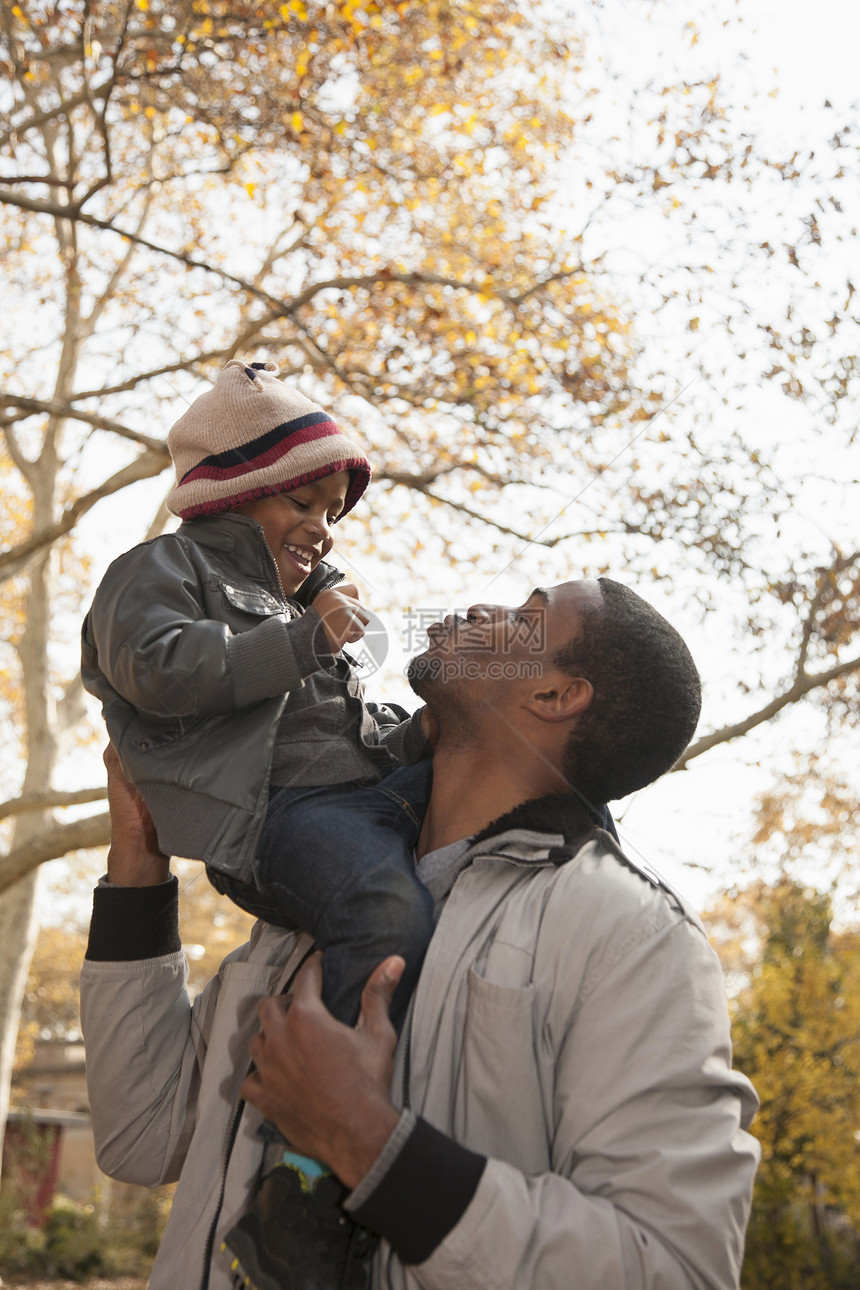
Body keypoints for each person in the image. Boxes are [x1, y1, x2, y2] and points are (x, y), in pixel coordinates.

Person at [81, 577, 760, 1290]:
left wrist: (369, 1143)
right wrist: (138, 861)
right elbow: (143, 1136)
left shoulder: (631, 937)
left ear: (556, 697)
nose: (477, 608)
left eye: (526, 620)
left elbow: (677, 1269)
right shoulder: (329, 888)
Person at [81, 357, 436, 1036]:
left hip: (357, 792)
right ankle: (305, 1126)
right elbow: (161, 672)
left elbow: (340, 732)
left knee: (529, 781)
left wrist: (422, 736)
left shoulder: (295, 607)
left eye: (333, 513)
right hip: (273, 812)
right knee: (386, 911)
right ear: (231, 494)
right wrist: (307, 640)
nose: (324, 528)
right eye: (302, 504)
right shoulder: (158, 568)